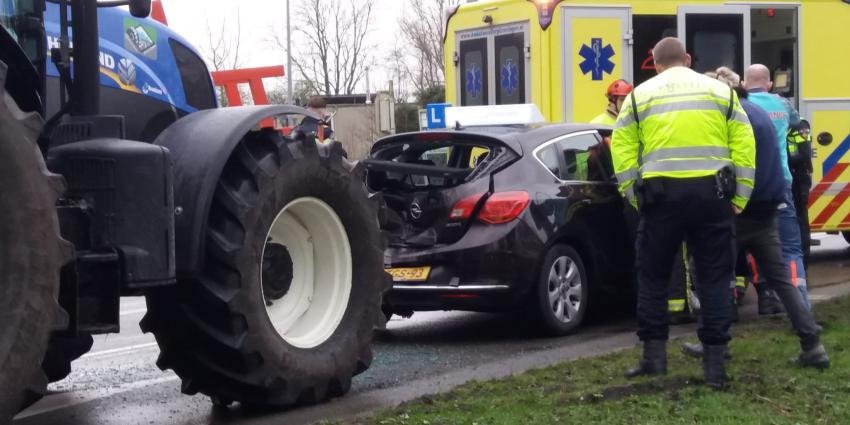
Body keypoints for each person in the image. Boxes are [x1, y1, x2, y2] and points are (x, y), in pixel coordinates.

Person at [611, 37, 756, 388]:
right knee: (715, 279)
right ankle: (715, 367)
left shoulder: (639, 95)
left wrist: (634, 193)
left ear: (655, 63)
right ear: (688, 59)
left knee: (653, 277)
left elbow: (622, 145)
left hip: (660, 200)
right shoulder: (720, 92)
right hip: (713, 198)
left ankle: (653, 359)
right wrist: (740, 196)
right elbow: (743, 141)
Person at [681, 67, 828, 369]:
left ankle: (715, 343)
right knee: (780, 279)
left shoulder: (728, 116)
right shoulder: (758, 112)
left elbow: (724, 166)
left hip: (739, 209)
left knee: (707, 271)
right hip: (768, 209)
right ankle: (812, 343)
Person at [743, 64, 810, 309]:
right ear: (769, 84)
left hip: (748, 184)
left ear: (743, 83)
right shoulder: (783, 104)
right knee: (791, 247)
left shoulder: (741, 105)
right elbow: (797, 124)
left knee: (753, 242)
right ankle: (801, 305)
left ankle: (766, 298)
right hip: (780, 183)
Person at [787, 120, 814, 267]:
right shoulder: (784, 124)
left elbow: (804, 153)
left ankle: (803, 260)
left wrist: (783, 156)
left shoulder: (800, 124)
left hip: (799, 177)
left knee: (801, 219)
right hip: (791, 176)